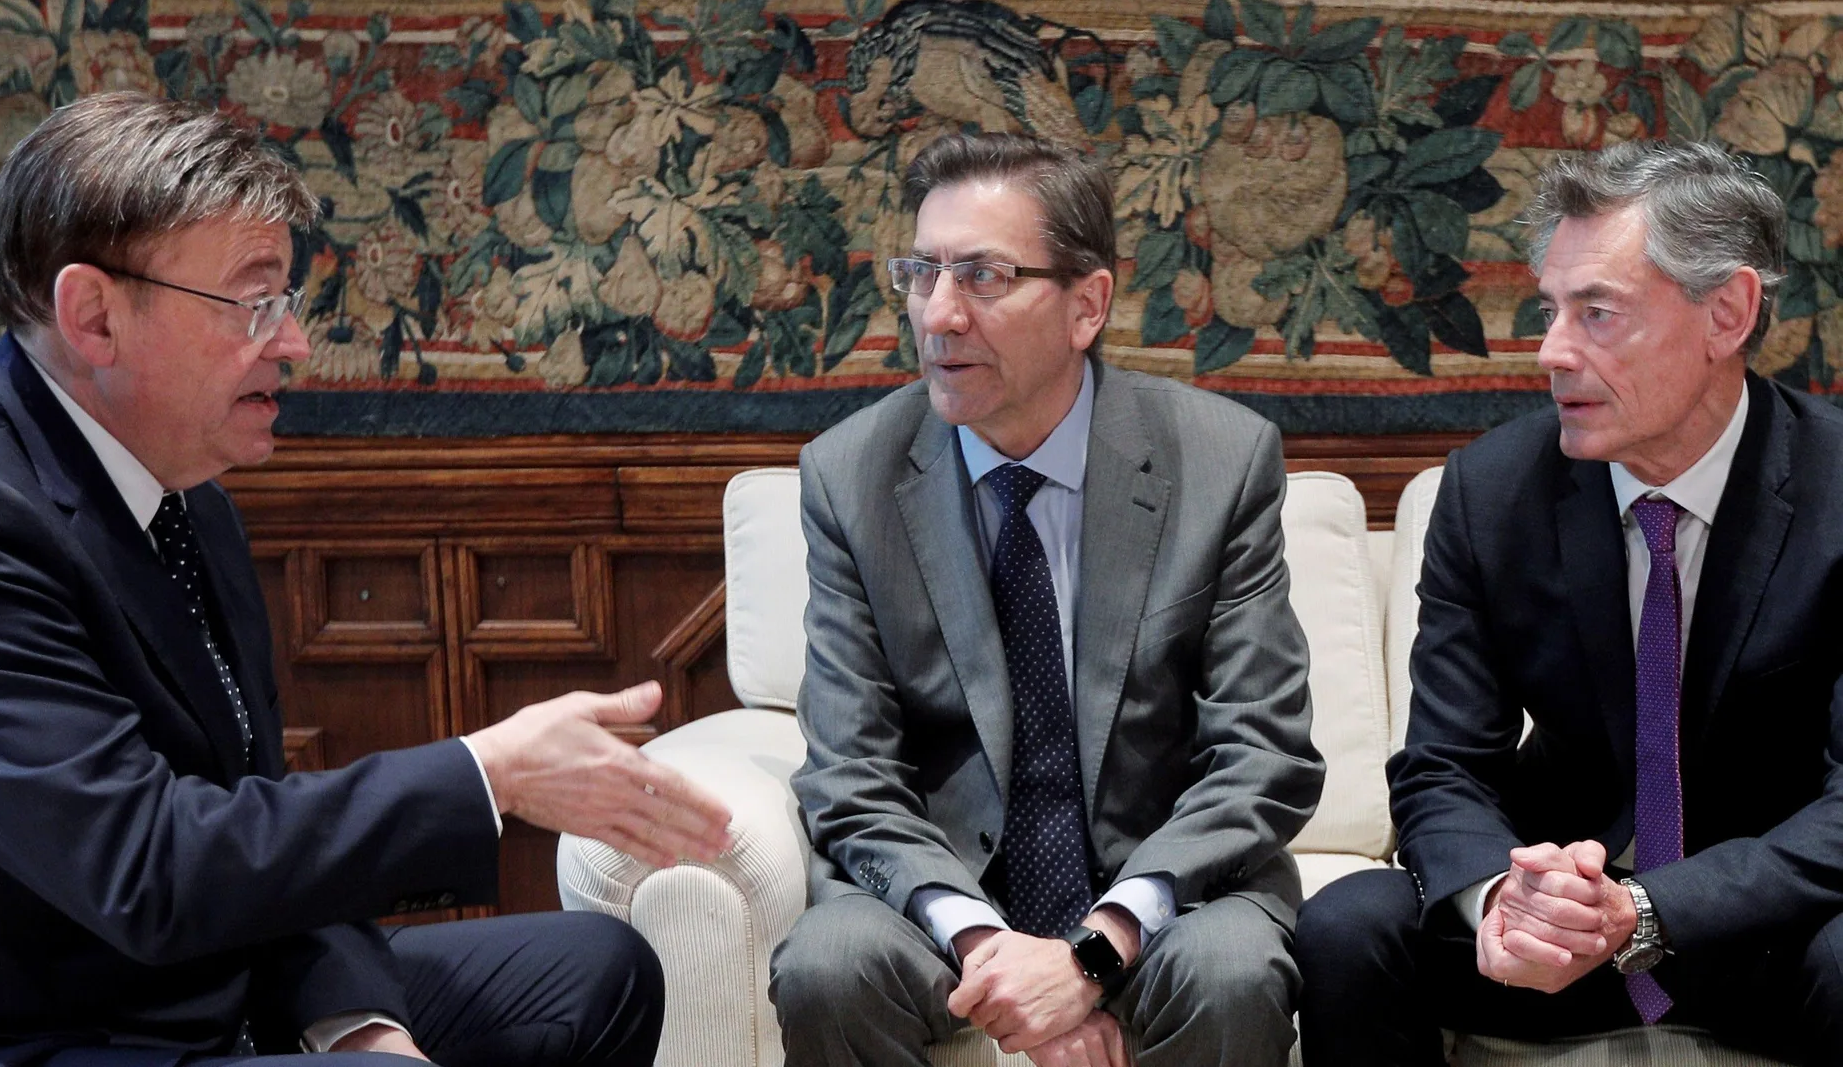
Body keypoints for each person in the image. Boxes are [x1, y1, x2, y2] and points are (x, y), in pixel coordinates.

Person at [0, 91, 732, 1066]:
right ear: (94, 315)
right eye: (252, 302)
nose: (293, 341)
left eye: (288, 301)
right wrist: (492, 770)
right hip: (71, 1040)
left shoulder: (184, 483)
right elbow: (144, 868)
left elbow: (254, 804)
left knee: (593, 969)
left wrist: (357, 1022)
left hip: (221, 986)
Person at [767, 132, 1324, 1067]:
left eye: (983, 276)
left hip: (1160, 894)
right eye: (921, 273)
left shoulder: (1219, 461)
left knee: (1234, 968)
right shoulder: (850, 476)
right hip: (949, 899)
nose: (938, 315)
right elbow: (850, 776)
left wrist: (1095, 953)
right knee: (830, 961)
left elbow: (1262, 753)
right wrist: (999, 963)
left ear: (1087, 305)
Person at [1294, 139, 1843, 1066]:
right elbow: (1442, 766)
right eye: (1551, 310)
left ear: (1728, 312)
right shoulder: (1492, 491)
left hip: (1761, 930)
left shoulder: (1836, 487)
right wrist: (1503, 902)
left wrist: (1651, 910)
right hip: (1555, 938)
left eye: (1599, 313)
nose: (1551, 351)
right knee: (1350, 924)